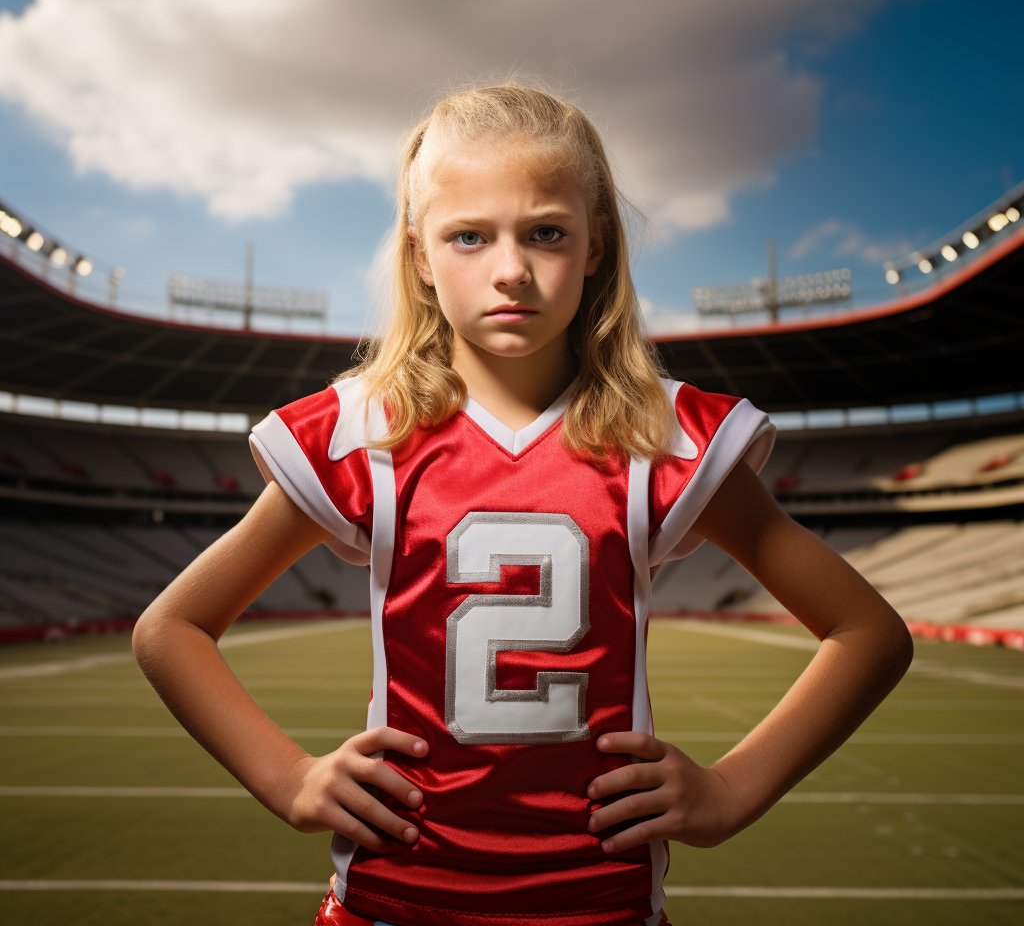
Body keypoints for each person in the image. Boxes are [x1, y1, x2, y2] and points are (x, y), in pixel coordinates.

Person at [133, 84, 913, 926]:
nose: (510, 269)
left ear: (595, 247)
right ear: (420, 255)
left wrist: (729, 792)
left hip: (599, 904)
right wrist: (288, 777)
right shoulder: (366, 432)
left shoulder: (665, 439)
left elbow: (868, 633)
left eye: (546, 232)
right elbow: (171, 629)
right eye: (468, 236)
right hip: (395, 899)